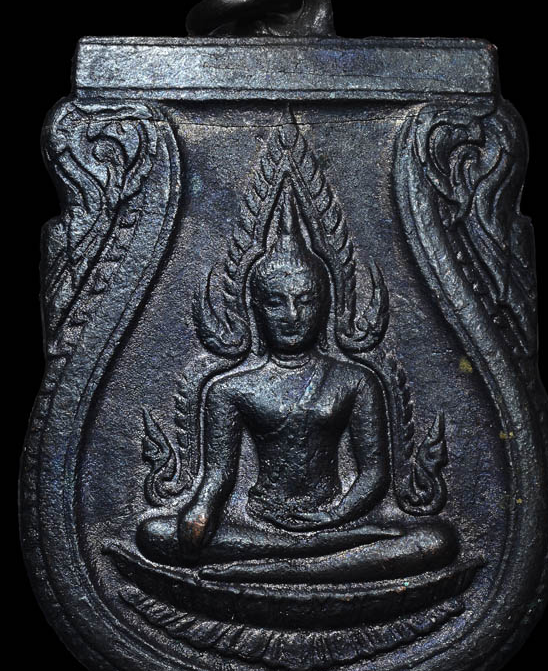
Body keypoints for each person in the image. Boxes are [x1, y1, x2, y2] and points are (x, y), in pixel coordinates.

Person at [137, 185, 456, 581]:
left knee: (437, 539)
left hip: (336, 518)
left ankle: (275, 565)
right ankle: (311, 560)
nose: (291, 315)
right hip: (259, 522)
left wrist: (333, 516)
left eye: (305, 301)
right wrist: (202, 507)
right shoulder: (230, 389)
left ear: (325, 306)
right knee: (155, 534)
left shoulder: (355, 380)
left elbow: (374, 474)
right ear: (255, 309)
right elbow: (219, 475)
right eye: (276, 302)